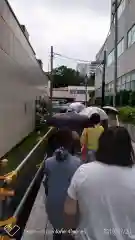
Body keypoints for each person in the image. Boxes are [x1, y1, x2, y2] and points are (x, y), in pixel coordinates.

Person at [64, 126, 135, 240]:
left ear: (101, 146)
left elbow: (69, 210)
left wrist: (68, 233)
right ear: (128, 148)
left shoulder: (84, 172)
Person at [44, 127, 81, 240]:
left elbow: (46, 185)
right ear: (71, 143)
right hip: (70, 205)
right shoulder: (77, 162)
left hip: (52, 203)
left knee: (57, 230)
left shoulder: (48, 162)